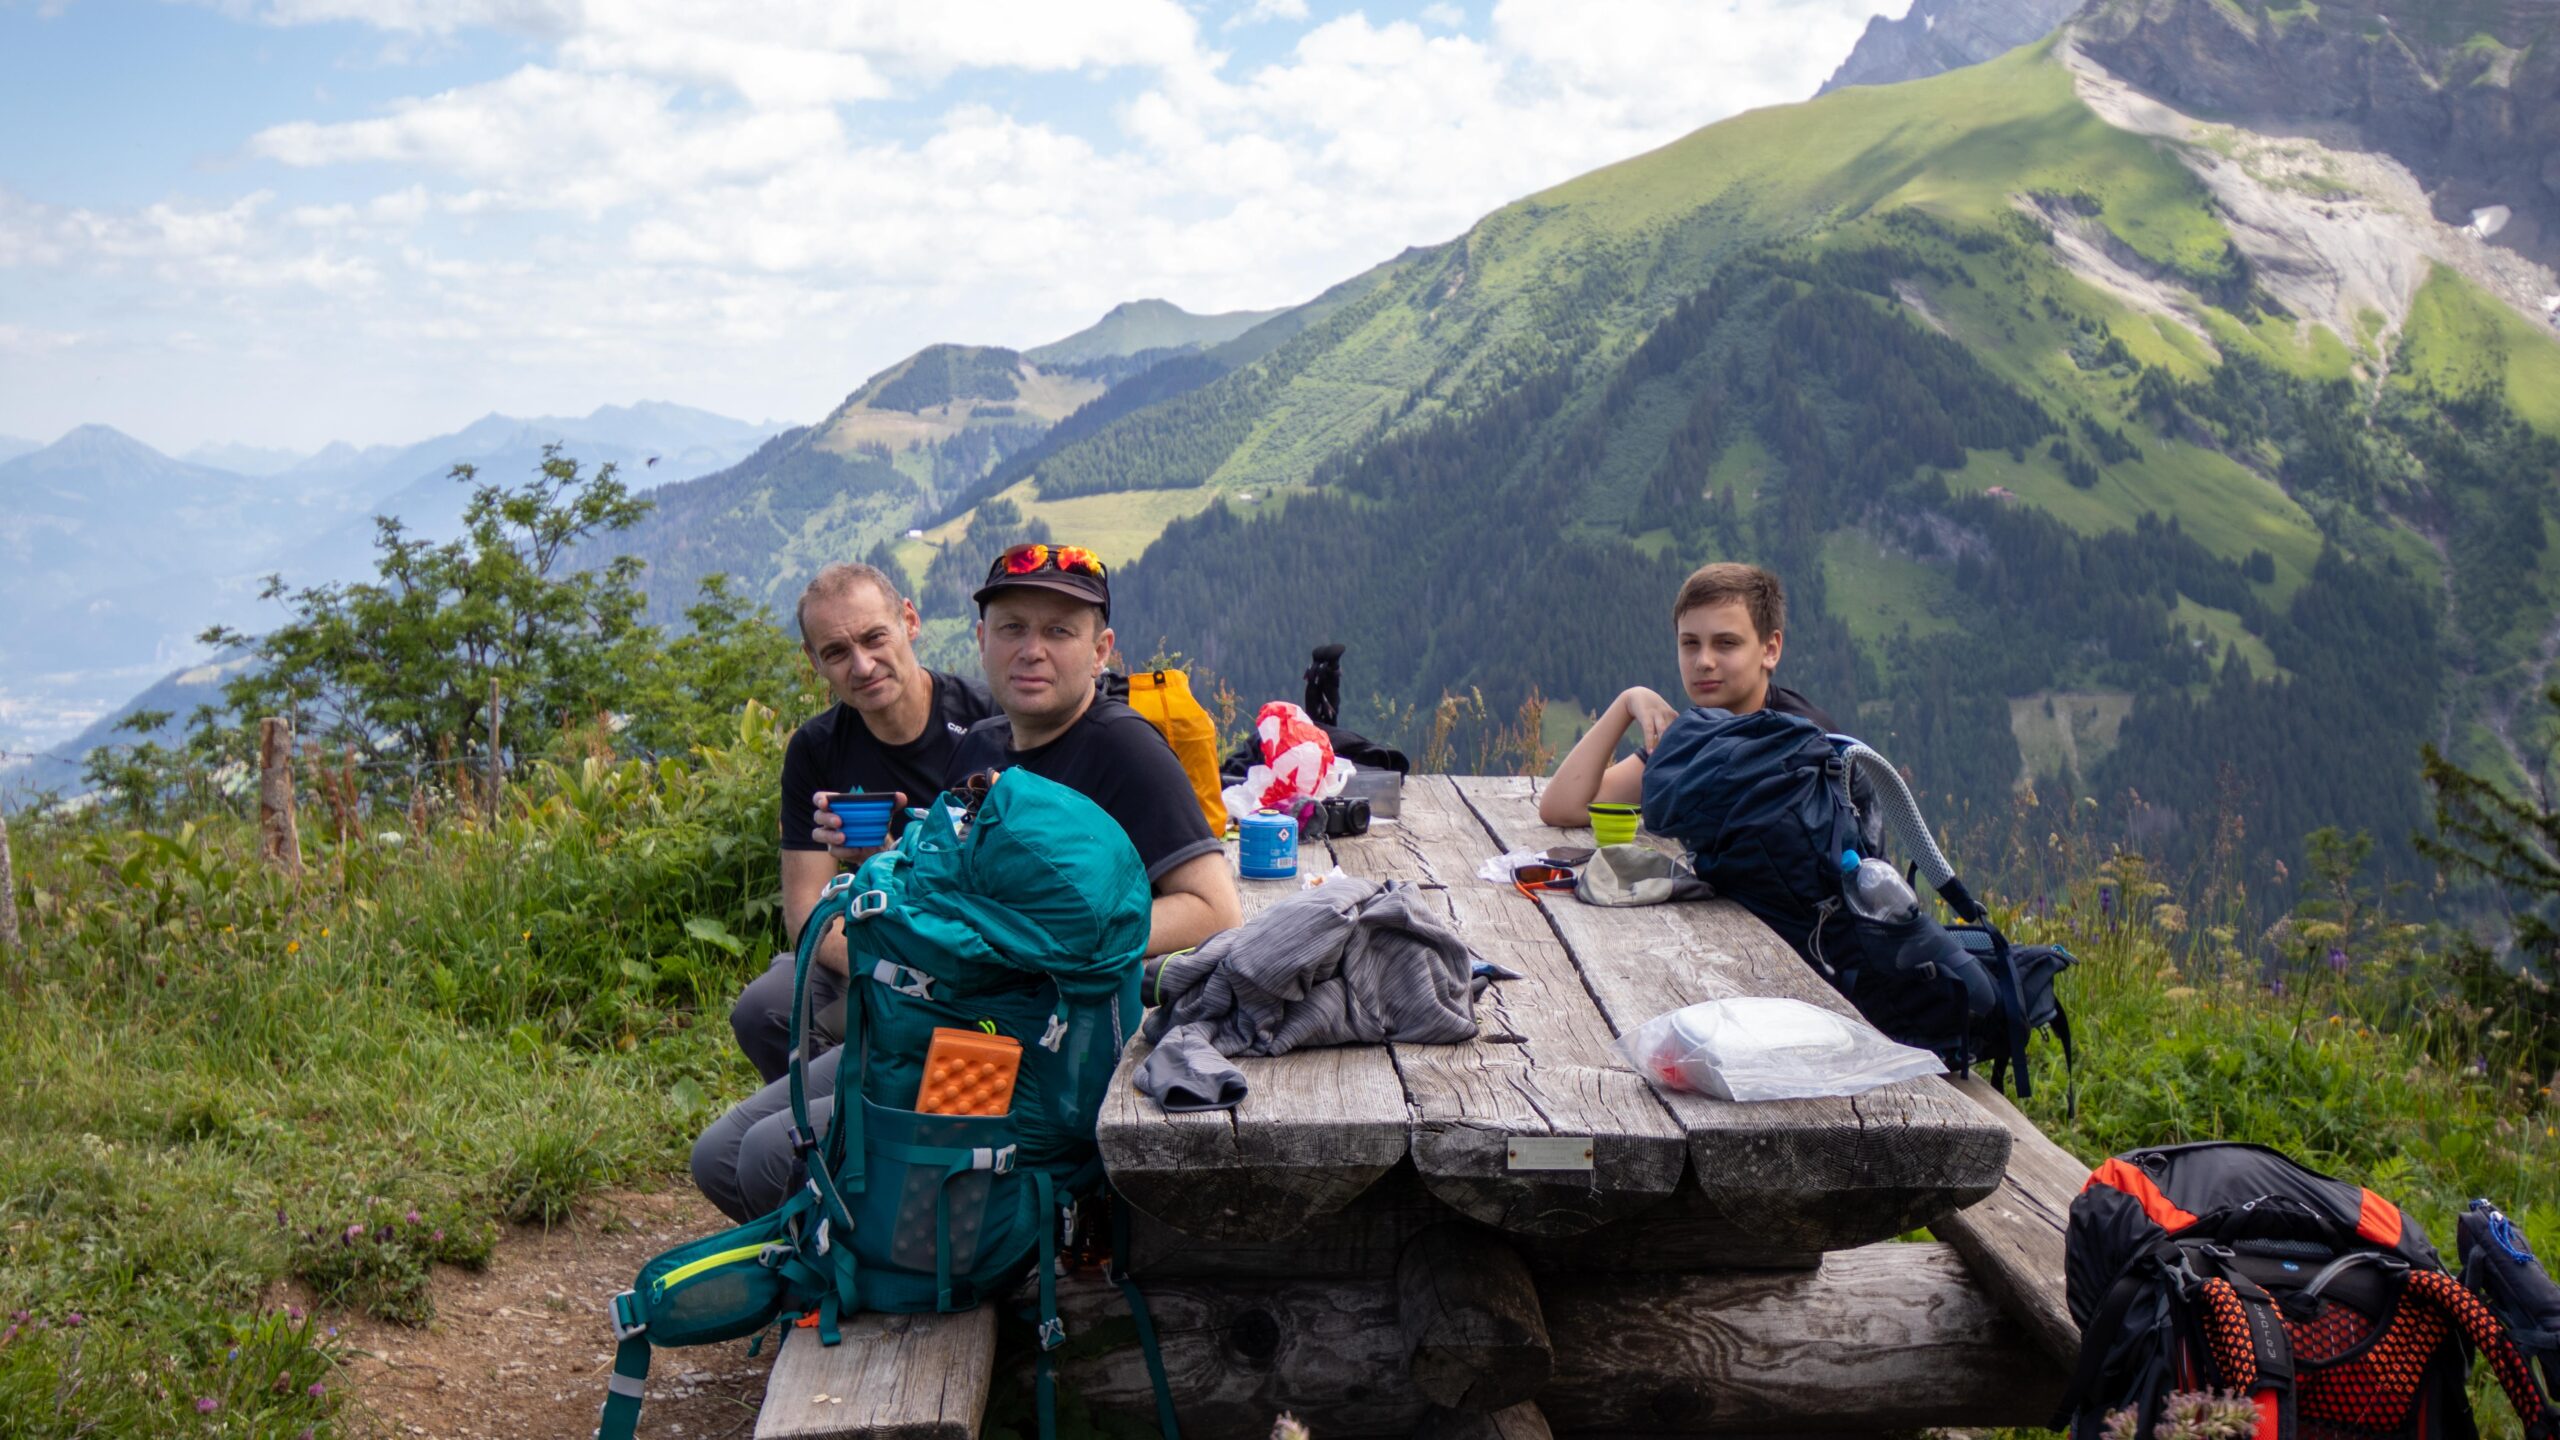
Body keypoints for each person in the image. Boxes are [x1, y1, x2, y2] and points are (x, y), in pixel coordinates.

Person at [692, 541, 1242, 1223]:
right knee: (718, 1156)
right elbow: (955, 891)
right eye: (1012, 628)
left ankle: (901, 1261)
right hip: (950, 1019)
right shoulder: (982, 745)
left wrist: (1037, 945)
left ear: (1101, 650)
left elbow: (1215, 909)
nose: (1031, 650)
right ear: (981, 639)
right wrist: (887, 866)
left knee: (768, 1158)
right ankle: (866, 1248)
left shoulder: (1122, 748)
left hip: (1035, 1055)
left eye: (1059, 631)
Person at [729, 562, 996, 1086]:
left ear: (909, 621)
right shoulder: (816, 749)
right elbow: (807, 912)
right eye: (836, 652)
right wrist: (890, 970)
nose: (863, 666)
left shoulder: (986, 723)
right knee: (764, 1009)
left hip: (977, 955)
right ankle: (832, 1123)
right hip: (872, 947)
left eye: (875, 638)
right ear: (814, 661)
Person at [1538, 561, 1838, 828]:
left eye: (1726, 643)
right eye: (1690, 643)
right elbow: (1563, 808)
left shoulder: (1806, 741)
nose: (1703, 662)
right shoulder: (1694, 740)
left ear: (1770, 650)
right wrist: (1627, 702)